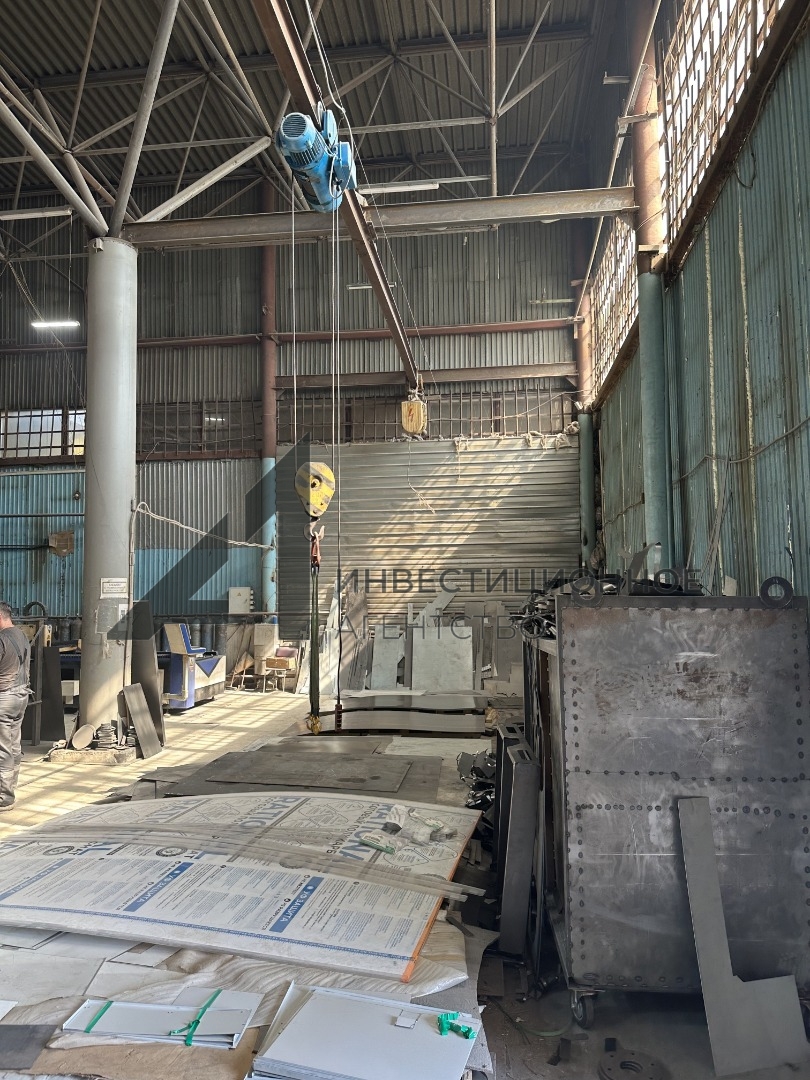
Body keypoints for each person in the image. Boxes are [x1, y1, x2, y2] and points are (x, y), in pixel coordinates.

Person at [0, 602, 31, 811]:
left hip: (4, 697)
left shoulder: (2, 639)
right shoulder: (21, 635)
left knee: (2, 749)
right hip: (21, 695)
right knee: (13, 746)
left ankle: (4, 797)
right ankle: (10, 788)